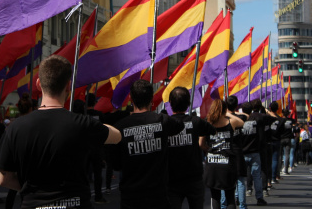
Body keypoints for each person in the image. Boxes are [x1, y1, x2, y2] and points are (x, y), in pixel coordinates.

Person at [0, 55, 121, 209]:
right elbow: (116, 136)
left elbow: (4, 179)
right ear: (68, 86)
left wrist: (33, 189)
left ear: (39, 84)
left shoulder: (15, 127)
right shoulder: (82, 124)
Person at [111, 79, 184, 209]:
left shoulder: (120, 127)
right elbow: (179, 125)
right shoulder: (162, 121)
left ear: (131, 99)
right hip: (157, 196)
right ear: (151, 99)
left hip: (131, 197)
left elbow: (116, 164)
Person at [167, 87, 216, 209]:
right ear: (189, 104)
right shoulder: (196, 121)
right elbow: (212, 130)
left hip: (172, 178)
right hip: (193, 178)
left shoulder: (165, 123)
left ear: (171, 104)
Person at [204, 99, 244, 209]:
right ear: (224, 109)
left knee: (215, 196)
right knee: (230, 196)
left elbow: (200, 143)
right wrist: (228, 113)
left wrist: (210, 149)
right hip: (228, 164)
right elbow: (242, 122)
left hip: (212, 163)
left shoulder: (207, 123)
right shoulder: (231, 122)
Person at [5, 93, 33, 209]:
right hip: (29, 162)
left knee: (12, 191)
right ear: (31, 109)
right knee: (27, 192)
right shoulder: (33, 124)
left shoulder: (12, 125)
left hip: (14, 161)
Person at [221, 96, 248, 209]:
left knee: (224, 180)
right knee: (240, 180)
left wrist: (228, 113)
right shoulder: (239, 117)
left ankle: (224, 204)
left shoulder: (223, 118)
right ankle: (241, 205)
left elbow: (247, 117)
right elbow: (246, 117)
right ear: (237, 106)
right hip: (236, 151)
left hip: (227, 151)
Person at [242, 101, 269, 205]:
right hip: (255, 151)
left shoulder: (239, 121)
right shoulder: (258, 119)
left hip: (243, 152)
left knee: (241, 177)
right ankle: (259, 197)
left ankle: (239, 197)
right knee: (257, 175)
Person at [86, 93, 107, 204]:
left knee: (83, 174)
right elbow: (104, 131)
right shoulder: (100, 115)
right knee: (98, 174)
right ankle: (98, 196)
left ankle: (84, 197)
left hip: (84, 148)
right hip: (97, 148)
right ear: (95, 103)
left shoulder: (82, 115)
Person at [267, 101, 285, 184]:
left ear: (270, 108)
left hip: (268, 140)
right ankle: (273, 178)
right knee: (274, 160)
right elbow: (282, 132)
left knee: (268, 160)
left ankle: (268, 179)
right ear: (278, 109)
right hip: (277, 140)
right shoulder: (281, 120)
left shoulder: (266, 117)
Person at [279, 109, 294, 175]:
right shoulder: (290, 121)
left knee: (280, 155)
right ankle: (286, 170)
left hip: (281, 138)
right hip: (288, 138)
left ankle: (278, 170)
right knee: (287, 154)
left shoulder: (280, 120)